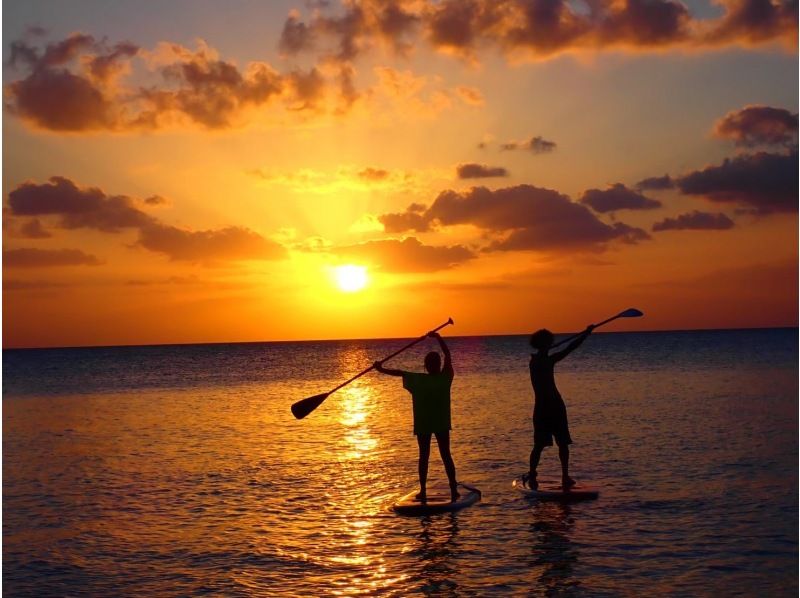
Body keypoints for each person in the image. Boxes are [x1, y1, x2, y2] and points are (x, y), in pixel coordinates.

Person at [373, 331, 459, 502]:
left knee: (424, 456)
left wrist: (380, 369)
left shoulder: (419, 380)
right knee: (445, 455)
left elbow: (399, 372)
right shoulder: (445, 378)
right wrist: (439, 337)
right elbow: (448, 354)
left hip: (424, 424)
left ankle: (423, 491)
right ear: (437, 364)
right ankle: (453, 489)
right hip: (440, 423)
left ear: (426, 366)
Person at [525, 324, 595, 491]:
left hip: (552, 406)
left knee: (561, 443)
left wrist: (585, 334)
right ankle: (533, 474)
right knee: (540, 444)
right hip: (546, 407)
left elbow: (569, 348)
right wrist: (585, 334)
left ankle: (564, 476)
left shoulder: (542, 359)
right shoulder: (539, 361)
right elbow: (568, 349)